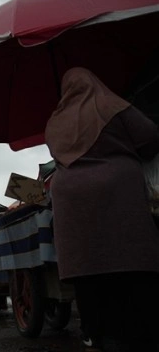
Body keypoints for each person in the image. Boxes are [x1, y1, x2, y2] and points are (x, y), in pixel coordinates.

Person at [44, 67, 159, 352]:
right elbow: (150, 136)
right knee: (128, 260)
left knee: (88, 266)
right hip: (117, 191)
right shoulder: (111, 105)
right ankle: (135, 333)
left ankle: (94, 332)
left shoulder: (55, 121)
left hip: (70, 199)